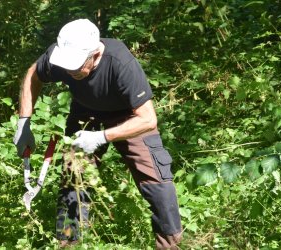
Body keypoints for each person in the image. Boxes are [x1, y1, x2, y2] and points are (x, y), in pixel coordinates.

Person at [13, 18, 182, 249]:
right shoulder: (62, 56)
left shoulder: (120, 63)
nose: (71, 72)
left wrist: (102, 137)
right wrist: (24, 122)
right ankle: (69, 243)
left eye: (77, 66)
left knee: (158, 183)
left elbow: (148, 118)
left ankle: (170, 244)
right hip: (85, 113)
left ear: (95, 54)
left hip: (129, 116)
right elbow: (34, 73)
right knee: (74, 177)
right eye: (68, 66)